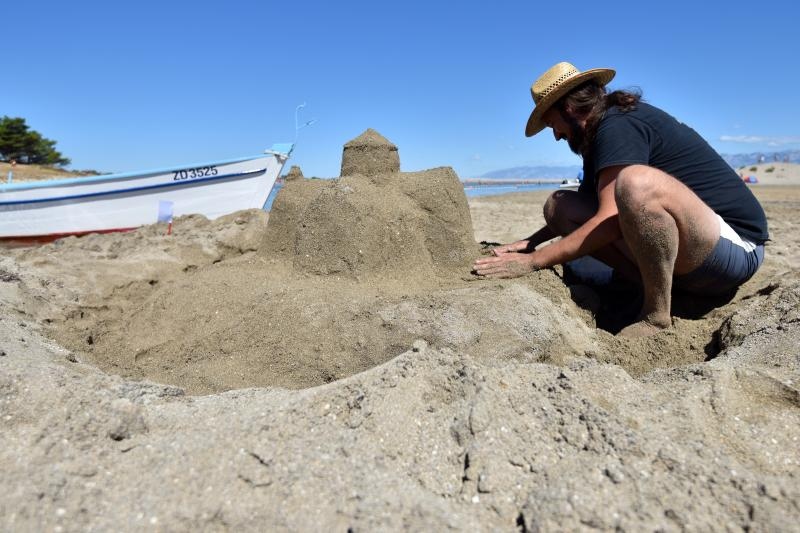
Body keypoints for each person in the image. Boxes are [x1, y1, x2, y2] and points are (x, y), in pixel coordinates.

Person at [473, 62, 769, 337]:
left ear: (569, 108)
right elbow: (589, 210)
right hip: (698, 253)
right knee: (559, 205)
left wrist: (534, 262)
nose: (556, 136)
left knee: (637, 185)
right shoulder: (598, 136)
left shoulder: (618, 125)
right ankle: (655, 288)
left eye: (552, 125)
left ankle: (656, 315)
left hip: (735, 249)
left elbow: (608, 221)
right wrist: (532, 242)